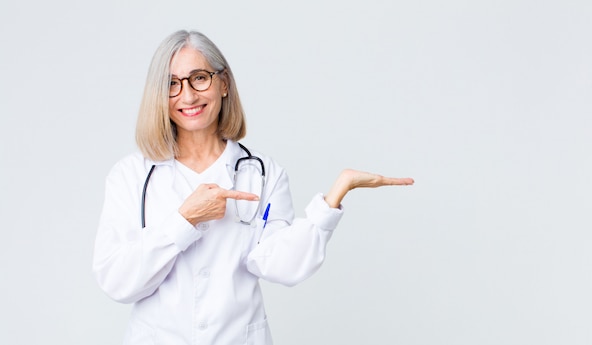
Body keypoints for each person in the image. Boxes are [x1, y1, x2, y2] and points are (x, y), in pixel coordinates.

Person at [93, 29, 413, 345]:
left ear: (224, 84)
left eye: (199, 78)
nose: (187, 96)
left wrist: (333, 198)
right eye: (172, 84)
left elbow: (282, 264)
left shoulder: (261, 173)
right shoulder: (131, 176)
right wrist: (184, 220)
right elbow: (118, 281)